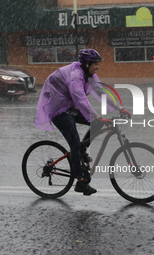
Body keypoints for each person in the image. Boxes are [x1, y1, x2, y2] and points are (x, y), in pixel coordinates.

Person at [34, 49, 130, 196]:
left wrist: (119, 108)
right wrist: (97, 116)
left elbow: (101, 93)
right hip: (58, 109)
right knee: (75, 143)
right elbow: (80, 99)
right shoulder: (76, 76)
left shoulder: (90, 75)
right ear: (86, 65)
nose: (98, 67)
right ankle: (80, 181)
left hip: (69, 106)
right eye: (95, 64)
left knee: (97, 123)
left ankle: (81, 150)